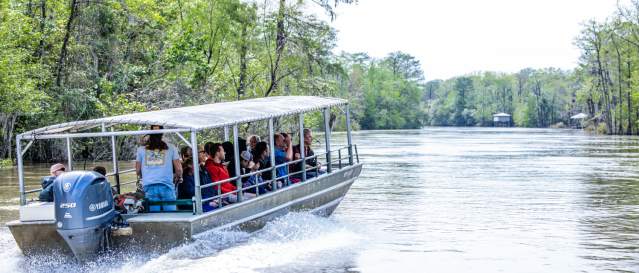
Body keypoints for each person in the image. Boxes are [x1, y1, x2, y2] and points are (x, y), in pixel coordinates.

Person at [135, 125, 182, 212]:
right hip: (166, 185)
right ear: (162, 133)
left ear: (150, 133)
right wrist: (178, 177)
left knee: (154, 216)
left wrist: (144, 176)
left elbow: (137, 170)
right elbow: (178, 169)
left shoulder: (141, 149)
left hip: (149, 186)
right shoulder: (171, 148)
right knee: (170, 216)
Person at [179, 146, 217, 212]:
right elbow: (193, 194)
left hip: (203, 201)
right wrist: (208, 201)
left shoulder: (202, 172)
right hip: (192, 205)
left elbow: (209, 188)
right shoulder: (186, 177)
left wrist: (213, 199)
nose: (205, 154)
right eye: (202, 152)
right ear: (189, 165)